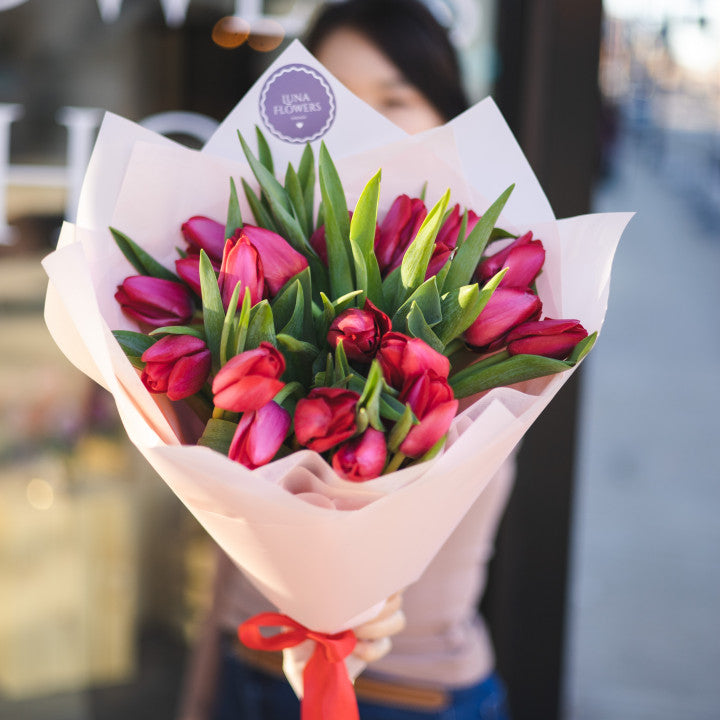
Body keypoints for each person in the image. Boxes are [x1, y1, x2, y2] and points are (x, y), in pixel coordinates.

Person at [178, 2, 513, 718]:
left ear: (449, 116)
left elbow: (410, 543)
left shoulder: (491, 290)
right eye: (337, 101)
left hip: (411, 695)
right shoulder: (243, 270)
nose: (364, 131)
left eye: (394, 100)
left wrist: (358, 607)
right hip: (248, 668)